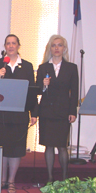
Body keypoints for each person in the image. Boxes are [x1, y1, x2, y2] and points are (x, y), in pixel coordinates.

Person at [0, 34, 37, 193]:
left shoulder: (27, 66)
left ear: (18, 46)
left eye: (14, 43)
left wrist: (34, 113)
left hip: (19, 114)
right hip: (0, 113)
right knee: (1, 147)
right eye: (8, 43)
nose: (11, 46)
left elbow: (32, 92)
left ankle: (11, 180)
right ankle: (1, 180)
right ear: (5, 46)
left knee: (15, 148)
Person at [36, 35, 78, 183]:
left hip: (63, 111)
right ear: (50, 48)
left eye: (60, 45)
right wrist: (44, 84)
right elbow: (38, 91)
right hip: (47, 111)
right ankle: (50, 178)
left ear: (64, 48)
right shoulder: (43, 68)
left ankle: (65, 178)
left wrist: (73, 111)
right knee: (48, 146)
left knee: (62, 146)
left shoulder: (71, 68)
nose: (56, 48)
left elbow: (74, 92)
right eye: (54, 45)